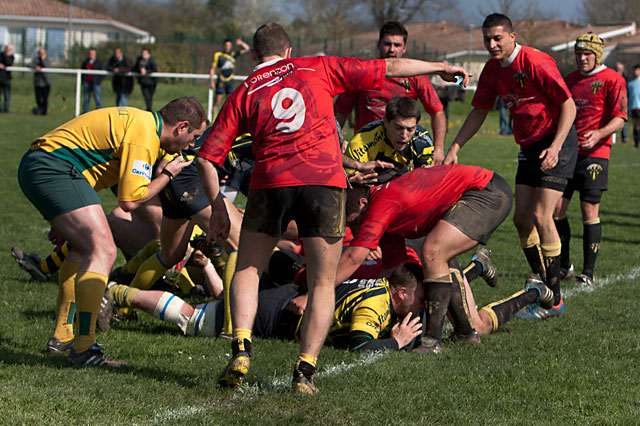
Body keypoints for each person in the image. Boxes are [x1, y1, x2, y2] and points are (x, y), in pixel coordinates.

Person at [197, 23, 470, 394]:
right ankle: (304, 373)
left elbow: (207, 159)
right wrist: (438, 68)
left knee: (247, 267)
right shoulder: (318, 65)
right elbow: (388, 68)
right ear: (290, 51)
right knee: (324, 282)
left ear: (252, 55)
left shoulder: (244, 89)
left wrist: (217, 207)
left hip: (271, 182)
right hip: (323, 184)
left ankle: (242, 347)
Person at [17, 97, 207, 365]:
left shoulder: (142, 123)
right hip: (54, 168)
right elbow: (130, 201)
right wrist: (168, 175)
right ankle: (84, 349)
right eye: (193, 136)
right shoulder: (144, 136)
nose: (191, 145)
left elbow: (83, 157)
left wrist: (62, 216)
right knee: (103, 250)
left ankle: (63, 337)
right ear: (181, 127)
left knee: (82, 248)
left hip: (45, 166)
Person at [444, 13, 577, 319]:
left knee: (543, 215)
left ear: (512, 37)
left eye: (497, 38)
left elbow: (567, 104)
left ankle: (553, 300)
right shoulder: (492, 70)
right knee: (521, 219)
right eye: (487, 39)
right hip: (529, 145)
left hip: (558, 141)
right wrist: (455, 146)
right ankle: (542, 284)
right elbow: (478, 110)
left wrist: (556, 147)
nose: (491, 44)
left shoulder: (536, 62)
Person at [335, 165, 513, 353]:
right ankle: (464, 333)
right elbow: (395, 272)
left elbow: (354, 257)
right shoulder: (385, 218)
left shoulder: (381, 204)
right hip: (481, 189)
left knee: (433, 251)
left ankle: (432, 341)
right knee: (438, 257)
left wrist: (316, 294)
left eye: (351, 221)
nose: (352, 227)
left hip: (486, 191)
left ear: (362, 203)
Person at [100, 262, 424, 352]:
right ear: (401, 292)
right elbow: (358, 345)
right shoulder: (377, 304)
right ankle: (114, 291)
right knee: (194, 319)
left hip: (284, 299)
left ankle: (209, 267)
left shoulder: (377, 285)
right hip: (276, 314)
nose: (423, 306)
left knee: (218, 307)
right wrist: (395, 342)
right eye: (420, 299)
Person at [550, 34, 628, 290]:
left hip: (597, 154)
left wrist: (600, 134)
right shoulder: (570, 80)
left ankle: (588, 272)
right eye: (579, 54)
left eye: (588, 54)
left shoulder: (613, 79)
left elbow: (620, 117)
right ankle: (565, 265)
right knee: (556, 211)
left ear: (598, 55)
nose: (582, 59)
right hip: (569, 154)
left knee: (588, 211)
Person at [334, 21, 447, 164]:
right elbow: (340, 112)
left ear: (404, 48)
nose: (392, 49)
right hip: (366, 150)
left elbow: (437, 112)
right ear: (378, 45)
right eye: (387, 44)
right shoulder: (362, 73)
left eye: (397, 45)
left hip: (402, 152)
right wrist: (335, 143)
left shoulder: (416, 77)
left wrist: (438, 149)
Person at [343, 96, 434, 185]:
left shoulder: (422, 141)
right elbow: (350, 187)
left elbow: (427, 184)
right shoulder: (361, 143)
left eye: (410, 129)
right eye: (398, 128)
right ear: (386, 122)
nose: (404, 135)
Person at [209, 38, 250, 117]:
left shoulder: (233, 55)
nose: (227, 47)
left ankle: (227, 118)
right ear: (223, 46)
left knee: (229, 102)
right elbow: (212, 69)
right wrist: (212, 82)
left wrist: (241, 43)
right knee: (218, 101)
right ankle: (213, 119)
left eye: (229, 46)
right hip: (221, 80)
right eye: (226, 45)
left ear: (231, 46)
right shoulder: (218, 55)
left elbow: (247, 49)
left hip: (230, 80)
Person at [81, 48, 104, 113]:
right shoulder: (86, 62)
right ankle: (85, 112)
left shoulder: (99, 62)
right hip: (87, 83)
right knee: (86, 98)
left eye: (92, 54)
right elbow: (83, 72)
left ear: (95, 54)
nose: (91, 55)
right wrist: (83, 81)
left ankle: (99, 112)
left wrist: (98, 81)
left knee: (97, 98)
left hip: (96, 83)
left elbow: (102, 73)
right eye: (90, 54)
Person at [30, 48, 51, 115]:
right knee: (38, 98)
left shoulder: (47, 59)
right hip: (38, 82)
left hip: (46, 82)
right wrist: (36, 67)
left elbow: (47, 65)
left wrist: (42, 59)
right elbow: (29, 64)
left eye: (43, 53)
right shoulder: (36, 59)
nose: (41, 55)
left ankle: (44, 112)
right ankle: (39, 110)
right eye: (40, 53)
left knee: (45, 98)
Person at [615, 62, 630, 143]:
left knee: (623, 118)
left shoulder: (625, 78)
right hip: (614, 100)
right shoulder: (613, 77)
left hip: (622, 101)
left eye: (620, 68)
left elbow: (627, 90)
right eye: (618, 68)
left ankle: (624, 137)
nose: (619, 70)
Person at [0, 44, 15, 113]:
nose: (8, 49)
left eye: (9, 49)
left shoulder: (11, 56)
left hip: (6, 78)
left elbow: (8, 63)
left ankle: (6, 109)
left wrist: (7, 55)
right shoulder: (1, 54)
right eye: (7, 48)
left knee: (7, 94)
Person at [628, 65, 640, 149]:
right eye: (635, 70)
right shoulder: (630, 83)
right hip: (634, 107)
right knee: (636, 126)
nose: (636, 72)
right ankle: (636, 144)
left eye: (637, 70)